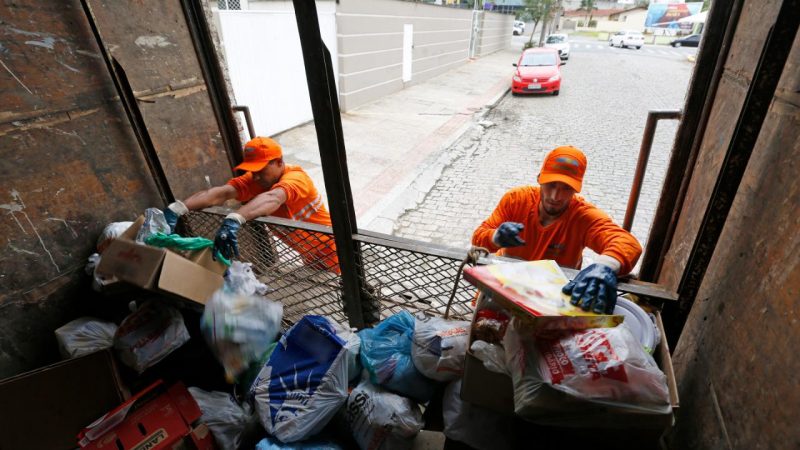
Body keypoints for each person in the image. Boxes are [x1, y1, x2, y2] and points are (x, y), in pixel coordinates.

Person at [471, 145, 642, 314]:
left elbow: (628, 243)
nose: (555, 197)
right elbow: (478, 238)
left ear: (576, 189)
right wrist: (495, 237)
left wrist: (606, 266)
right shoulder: (516, 200)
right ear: (540, 179)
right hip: (505, 288)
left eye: (566, 188)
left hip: (551, 299)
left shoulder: (582, 217)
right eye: (551, 185)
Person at [162, 136, 338, 272]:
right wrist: (178, 208)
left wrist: (236, 217)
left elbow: (274, 197)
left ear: (279, 162)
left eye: (261, 170)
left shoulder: (297, 178)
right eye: (252, 171)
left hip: (334, 250)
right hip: (309, 255)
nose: (256, 176)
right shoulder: (256, 180)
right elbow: (221, 193)